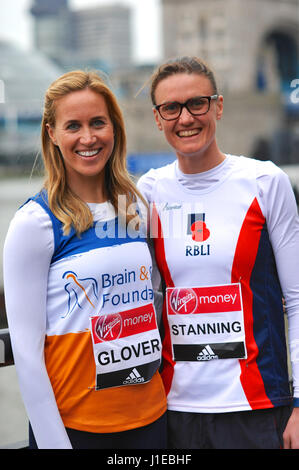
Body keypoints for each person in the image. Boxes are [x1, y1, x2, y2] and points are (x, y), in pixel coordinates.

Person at [137, 56, 299, 449]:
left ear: (218, 106)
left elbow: (296, 301)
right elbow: (145, 296)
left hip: (257, 406)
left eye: (198, 103)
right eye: (171, 108)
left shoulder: (265, 182)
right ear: (158, 119)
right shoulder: (148, 191)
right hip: (174, 410)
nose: (185, 118)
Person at [3, 70, 167, 449]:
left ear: (115, 128)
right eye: (72, 125)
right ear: (52, 134)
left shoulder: (135, 208)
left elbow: (154, 301)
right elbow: (27, 357)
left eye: (98, 123)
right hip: (79, 431)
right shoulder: (36, 222)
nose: (88, 137)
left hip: (153, 420)